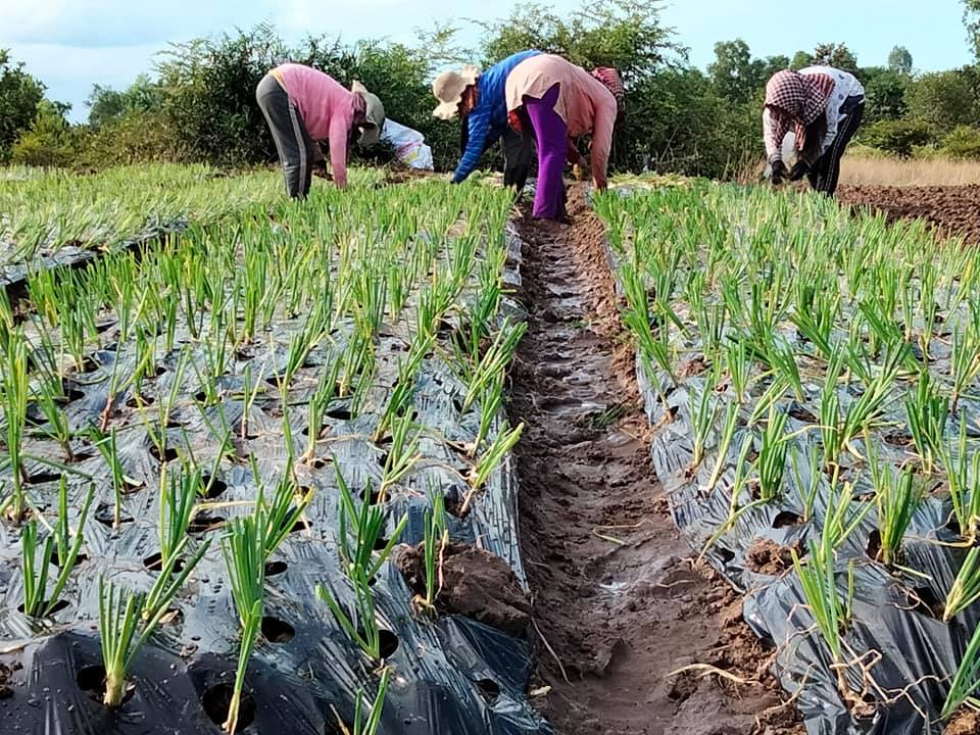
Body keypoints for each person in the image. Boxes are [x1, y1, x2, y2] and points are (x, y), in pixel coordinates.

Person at [504, 54, 619, 220]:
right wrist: (601, 188)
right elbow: (600, 150)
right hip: (546, 79)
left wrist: (577, 158)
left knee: (549, 152)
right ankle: (544, 215)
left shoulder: (585, 82)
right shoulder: (608, 99)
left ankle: (557, 210)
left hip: (517, 79)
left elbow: (561, 140)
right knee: (552, 152)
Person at [255, 63, 385, 198]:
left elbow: (306, 137)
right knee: (298, 155)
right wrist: (342, 187)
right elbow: (337, 151)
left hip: (272, 87)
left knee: (300, 151)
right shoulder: (345, 108)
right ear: (363, 114)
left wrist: (318, 164)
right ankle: (296, 204)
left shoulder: (337, 100)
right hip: (280, 87)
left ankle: (298, 199)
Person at [432, 50, 541, 191]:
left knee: (521, 145)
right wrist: (485, 144)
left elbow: (473, 147)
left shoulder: (480, 100)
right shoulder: (484, 88)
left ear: (462, 96)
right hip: (528, 87)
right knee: (517, 140)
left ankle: (514, 194)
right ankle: (514, 192)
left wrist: (456, 180)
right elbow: (500, 125)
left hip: (536, 77)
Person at [764, 66, 865, 196]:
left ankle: (825, 200)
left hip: (849, 99)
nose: (781, 115)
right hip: (809, 96)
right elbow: (770, 135)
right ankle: (818, 197)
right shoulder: (775, 105)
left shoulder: (822, 100)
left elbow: (830, 134)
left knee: (830, 153)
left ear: (796, 105)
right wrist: (776, 162)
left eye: (785, 111)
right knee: (808, 153)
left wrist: (806, 162)